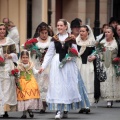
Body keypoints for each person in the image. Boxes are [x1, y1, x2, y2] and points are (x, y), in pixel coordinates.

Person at [39, 19, 81, 120]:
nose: (59, 27)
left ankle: (66, 109)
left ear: (66, 27)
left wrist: (71, 57)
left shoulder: (71, 38)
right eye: (58, 25)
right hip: (57, 63)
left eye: (61, 25)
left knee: (67, 85)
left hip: (68, 64)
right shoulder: (54, 38)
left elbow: (75, 52)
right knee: (57, 86)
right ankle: (58, 110)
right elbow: (49, 53)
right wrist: (43, 66)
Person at [27, 22, 52, 113]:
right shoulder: (35, 41)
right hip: (37, 64)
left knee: (46, 84)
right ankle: (39, 103)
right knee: (38, 83)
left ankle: (44, 103)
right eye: (42, 33)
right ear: (39, 32)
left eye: (46, 33)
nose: (44, 35)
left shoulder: (51, 40)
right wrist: (33, 51)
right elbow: (29, 52)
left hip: (48, 65)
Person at [70, 19, 90, 114]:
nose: (79, 31)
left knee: (85, 84)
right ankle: (82, 105)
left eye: (81, 30)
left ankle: (87, 105)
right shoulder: (74, 40)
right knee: (77, 85)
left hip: (86, 65)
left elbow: (94, 52)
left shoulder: (89, 42)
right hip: (76, 64)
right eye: (77, 28)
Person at [76, 25, 97, 111]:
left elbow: (96, 53)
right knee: (79, 84)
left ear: (87, 32)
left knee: (88, 83)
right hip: (78, 65)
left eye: (83, 31)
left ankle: (87, 105)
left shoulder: (92, 42)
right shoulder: (76, 42)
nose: (81, 33)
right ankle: (82, 105)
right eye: (80, 31)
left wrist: (94, 57)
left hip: (88, 66)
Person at [17, 50, 43, 118]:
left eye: (26, 57)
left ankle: (30, 110)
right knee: (24, 97)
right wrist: (15, 74)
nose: (25, 59)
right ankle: (24, 113)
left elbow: (34, 71)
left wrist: (39, 71)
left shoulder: (31, 64)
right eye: (23, 57)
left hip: (31, 82)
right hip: (22, 82)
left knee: (30, 96)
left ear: (28, 58)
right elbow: (18, 74)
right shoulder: (19, 65)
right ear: (21, 58)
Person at [0, 23, 18, 118]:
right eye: (0, 29)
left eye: (3, 29)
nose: (2, 31)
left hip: (7, 66)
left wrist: (9, 55)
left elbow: (15, 54)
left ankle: (5, 109)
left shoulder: (9, 41)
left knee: (6, 88)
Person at [100, 26, 120, 107]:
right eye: (105, 32)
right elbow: (98, 53)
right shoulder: (102, 42)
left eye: (108, 32)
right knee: (105, 82)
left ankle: (111, 98)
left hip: (114, 64)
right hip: (104, 64)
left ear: (112, 33)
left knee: (113, 81)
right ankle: (108, 99)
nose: (106, 34)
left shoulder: (117, 42)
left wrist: (117, 59)